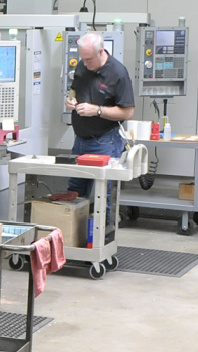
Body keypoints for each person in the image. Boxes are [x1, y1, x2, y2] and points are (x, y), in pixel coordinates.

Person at [61, 32, 134, 247]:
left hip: (105, 141)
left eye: (90, 59)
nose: (85, 64)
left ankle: (103, 246)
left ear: (101, 52)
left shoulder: (118, 73)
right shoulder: (83, 67)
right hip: (80, 140)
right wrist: (71, 100)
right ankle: (72, 243)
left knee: (105, 197)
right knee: (74, 192)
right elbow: (74, 89)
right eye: (83, 59)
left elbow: (127, 112)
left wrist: (97, 110)